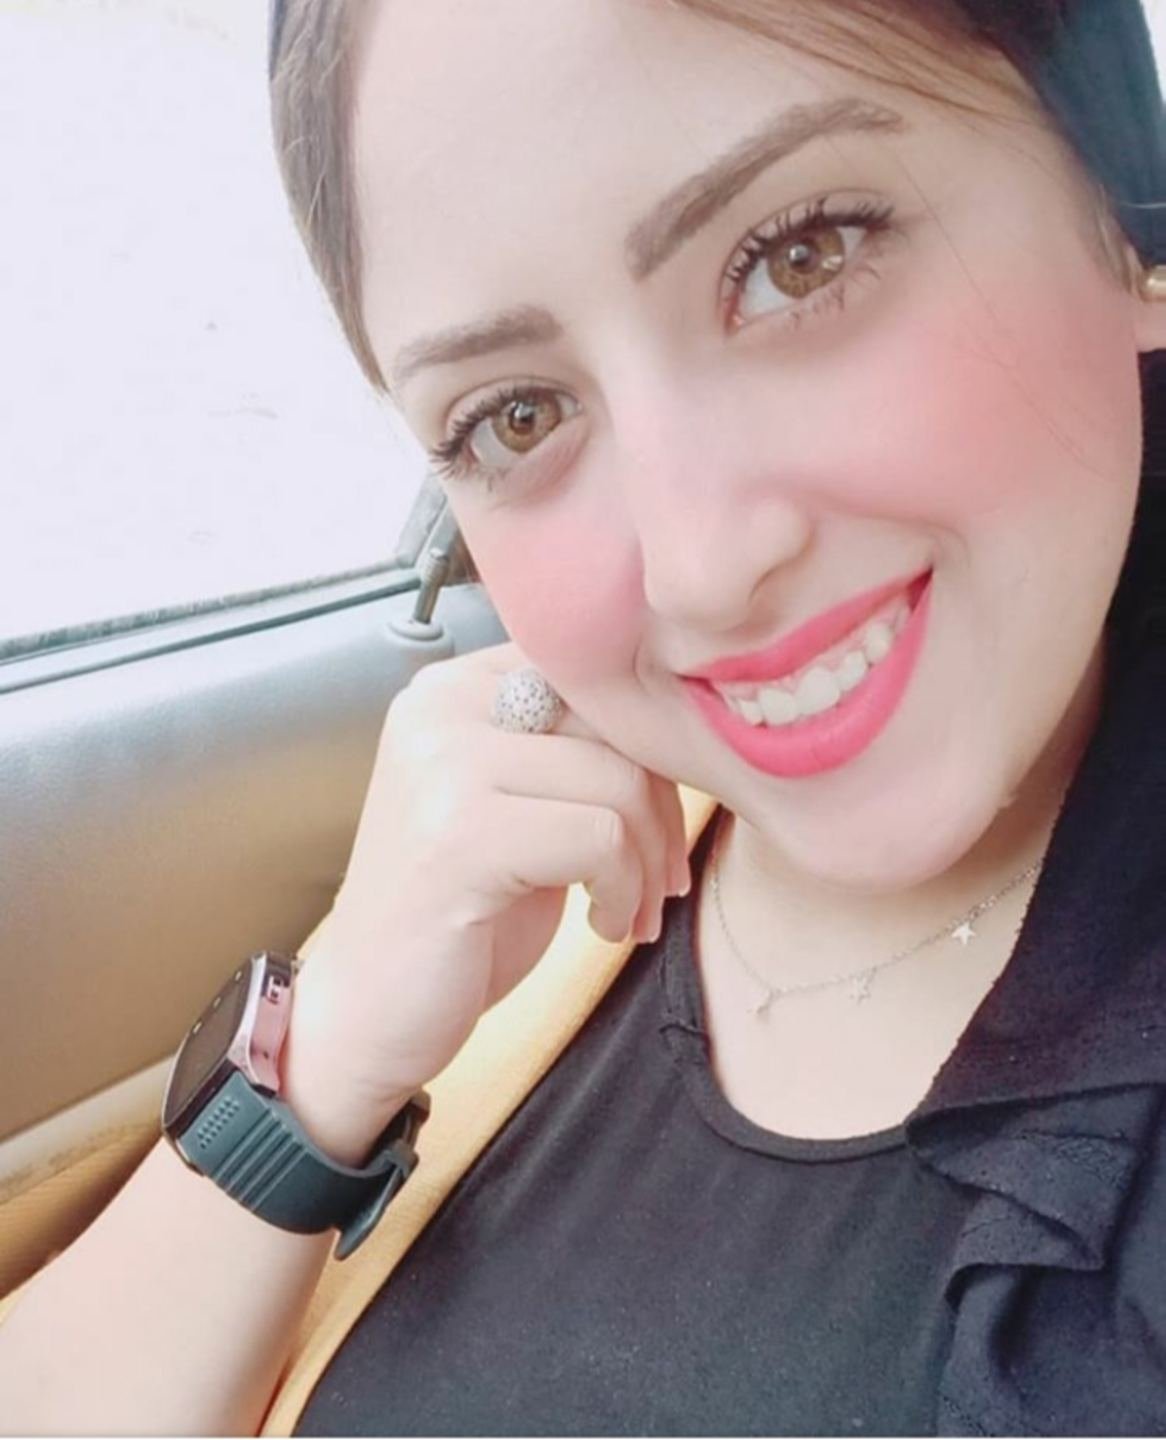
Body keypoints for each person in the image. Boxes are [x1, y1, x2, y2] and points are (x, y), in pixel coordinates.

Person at [1, 0, 1164, 1433]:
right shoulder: (527, 876)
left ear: (1122, 204)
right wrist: (324, 1056)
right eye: (517, 416)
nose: (698, 568)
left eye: (801, 255)